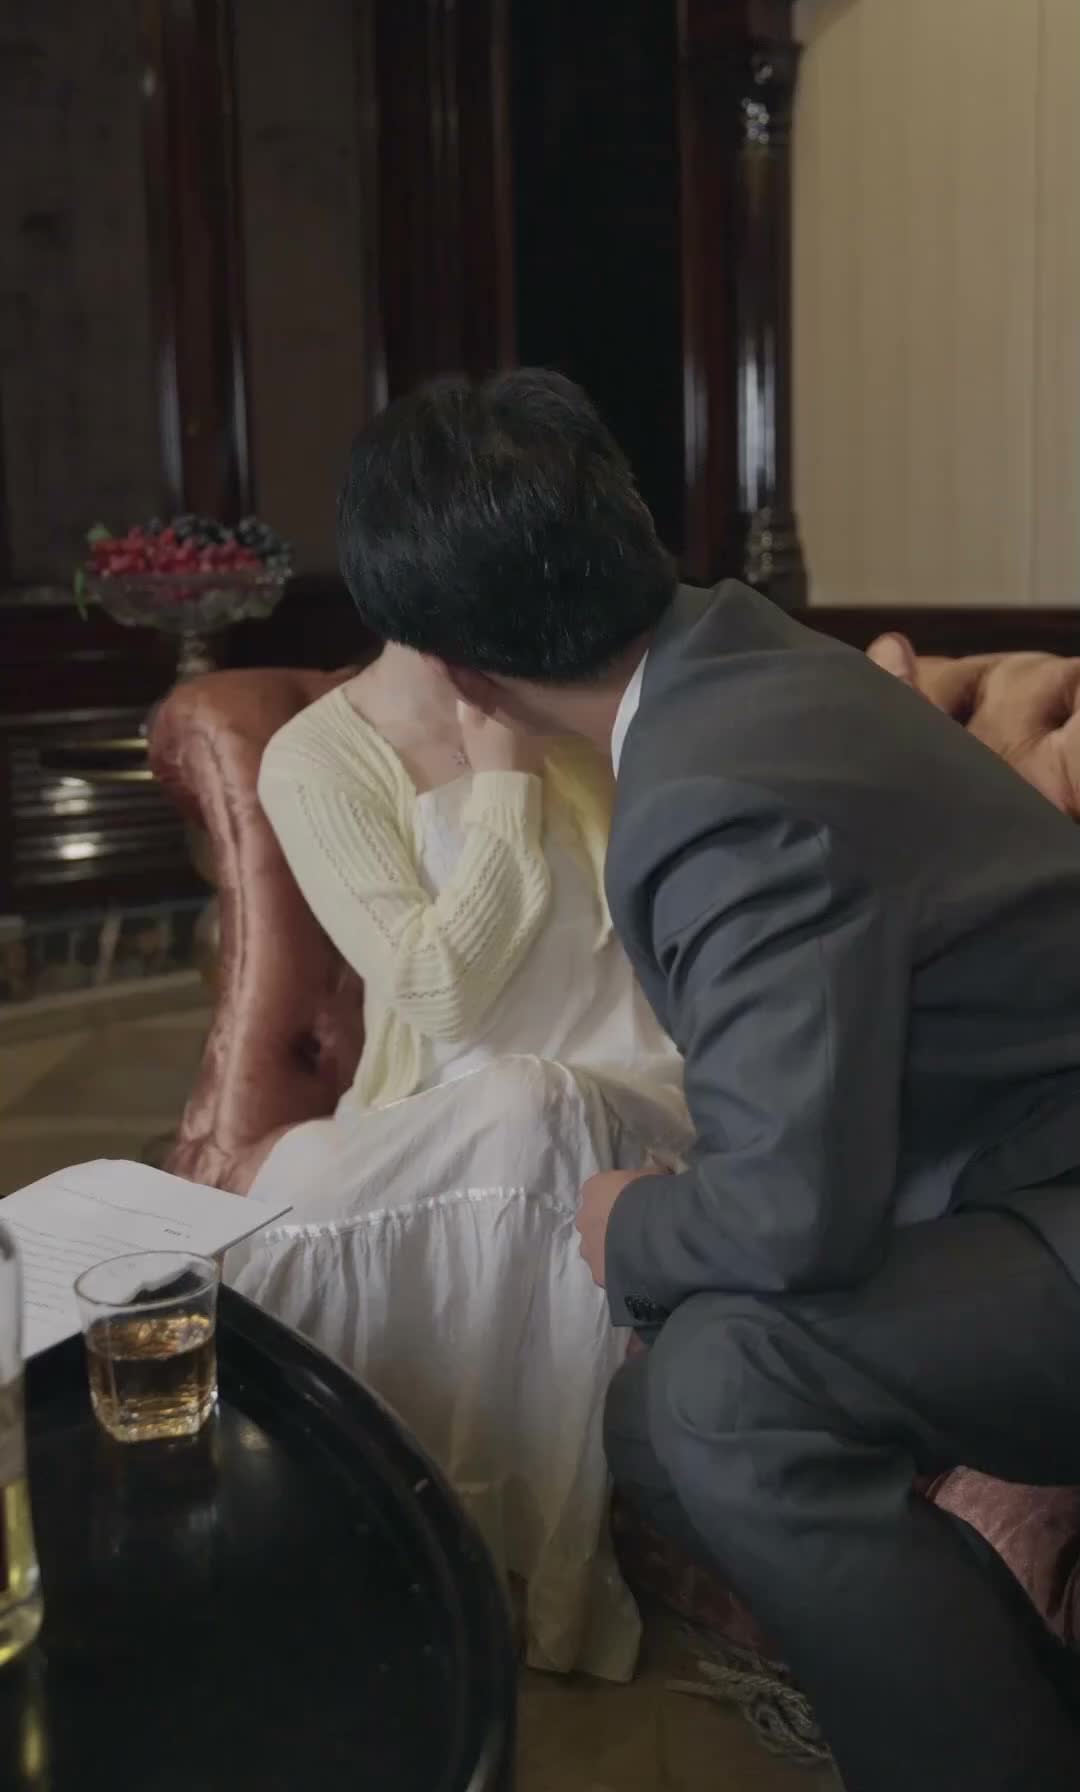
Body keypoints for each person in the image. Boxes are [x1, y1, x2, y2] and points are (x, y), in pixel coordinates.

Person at [329, 365, 1080, 1792]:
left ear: (459, 670)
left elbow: (792, 1218)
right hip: (1016, 1173)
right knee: (654, 1421)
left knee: (724, 1391)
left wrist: (630, 1223)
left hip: (1053, 1194)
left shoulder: (714, 788)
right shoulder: (744, 651)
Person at [226, 636, 693, 1682]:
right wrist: (504, 791)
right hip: (437, 1116)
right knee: (300, 1176)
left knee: (534, 1105)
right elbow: (438, 993)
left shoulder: (582, 698)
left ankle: (490, 1577)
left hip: (635, 1100)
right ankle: (337, 1540)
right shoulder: (318, 757)